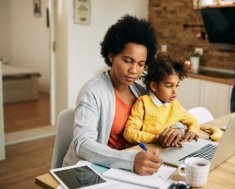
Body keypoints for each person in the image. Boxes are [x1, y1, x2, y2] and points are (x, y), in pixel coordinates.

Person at [62, 15, 185, 175]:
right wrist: (130, 160)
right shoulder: (92, 92)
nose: (134, 70)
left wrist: (177, 129)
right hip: (91, 171)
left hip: (124, 171)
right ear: (112, 56)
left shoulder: (140, 92)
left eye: (141, 64)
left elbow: (171, 112)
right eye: (127, 61)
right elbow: (83, 144)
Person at [123, 54, 200, 146]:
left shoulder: (175, 105)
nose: (175, 91)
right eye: (169, 86)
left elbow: (193, 121)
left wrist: (192, 132)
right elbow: (129, 133)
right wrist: (157, 138)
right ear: (154, 86)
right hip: (142, 151)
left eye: (177, 85)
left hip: (164, 150)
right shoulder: (143, 103)